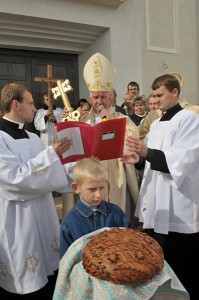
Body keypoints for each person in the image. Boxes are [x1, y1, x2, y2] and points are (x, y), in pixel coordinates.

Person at [121, 74, 199, 299]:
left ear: (175, 92)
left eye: (159, 95)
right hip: (157, 203)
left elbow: (181, 160)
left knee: (181, 266)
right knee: (157, 262)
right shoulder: (155, 124)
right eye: (153, 95)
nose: (154, 100)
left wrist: (145, 152)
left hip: (178, 205)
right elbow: (152, 160)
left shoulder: (189, 120)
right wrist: (139, 161)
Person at [0, 83, 74, 299]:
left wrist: (80, 168)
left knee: (49, 276)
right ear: (16, 104)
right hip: (17, 218)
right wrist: (51, 154)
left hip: (43, 212)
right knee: (27, 280)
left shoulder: (33, 138)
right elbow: (15, 179)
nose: (35, 109)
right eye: (31, 103)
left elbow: (53, 172)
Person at [62, 53, 139, 224]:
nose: (100, 101)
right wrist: (67, 122)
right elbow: (67, 144)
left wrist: (111, 125)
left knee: (114, 216)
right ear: (90, 98)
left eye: (103, 96)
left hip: (114, 172)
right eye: (95, 97)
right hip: (89, 172)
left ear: (110, 97)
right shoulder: (80, 120)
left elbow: (133, 139)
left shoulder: (122, 118)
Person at [60, 157, 132, 258]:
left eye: (102, 188)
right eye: (92, 189)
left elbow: (131, 243)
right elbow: (66, 260)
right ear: (76, 188)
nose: (98, 195)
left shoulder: (116, 213)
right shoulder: (70, 221)